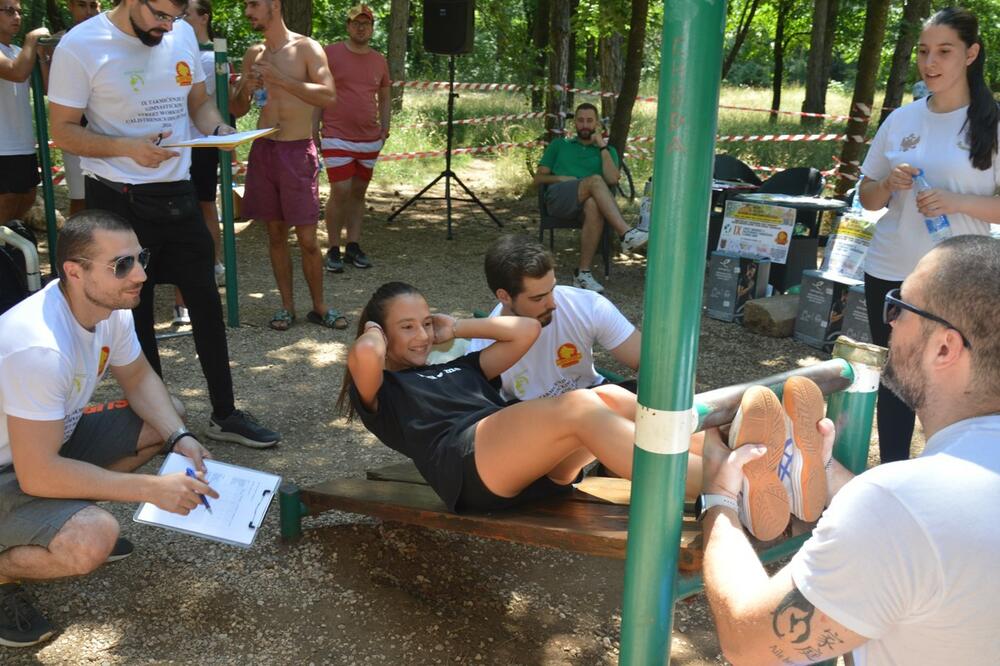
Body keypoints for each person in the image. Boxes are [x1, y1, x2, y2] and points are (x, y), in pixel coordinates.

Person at [701, 235, 1000, 665]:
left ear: (945, 348)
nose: (889, 321)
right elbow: (923, 540)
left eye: (900, 308)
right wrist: (827, 471)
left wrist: (718, 500)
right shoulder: (916, 504)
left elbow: (748, 642)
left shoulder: (899, 505)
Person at [47, 0, 281, 448]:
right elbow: (63, 131)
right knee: (135, 309)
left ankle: (225, 414)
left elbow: (198, 102)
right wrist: (126, 147)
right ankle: (158, 420)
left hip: (176, 192)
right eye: (160, 16)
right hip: (117, 195)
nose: (168, 27)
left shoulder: (181, 34)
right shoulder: (81, 45)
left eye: (175, 18)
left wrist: (218, 133)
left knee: (206, 303)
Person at [0, 210, 220, 647]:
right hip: (20, 467)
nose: (139, 274)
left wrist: (181, 437)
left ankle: (50, 519)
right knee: (93, 538)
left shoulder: (108, 308)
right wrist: (149, 489)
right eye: (122, 265)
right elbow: (38, 474)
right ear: (74, 272)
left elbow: (138, 378)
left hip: (40, 449)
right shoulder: (38, 347)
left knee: (166, 419)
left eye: (140, 258)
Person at [338, 281, 706, 514]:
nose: (422, 335)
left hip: (530, 467)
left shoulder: (462, 366)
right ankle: (719, 484)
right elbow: (367, 355)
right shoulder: (382, 390)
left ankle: (721, 453)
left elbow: (527, 330)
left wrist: (455, 328)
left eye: (425, 322)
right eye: (407, 327)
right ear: (382, 334)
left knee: (607, 395)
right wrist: (372, 326)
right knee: (579, 405)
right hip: (470, 470)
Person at [857, 7, 1000, 464]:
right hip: (892, 269)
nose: (929, 62)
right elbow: (867, 197)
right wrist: (886, 184)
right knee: (898, 383)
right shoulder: (901, 119)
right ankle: (895, 476)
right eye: (923, 51)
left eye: (944, 51)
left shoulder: (991, 123)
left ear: (971, 54)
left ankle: (959, 479)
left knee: (962, 386)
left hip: (963, 278)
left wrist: (955, 201)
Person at [230, 0, 343, 331]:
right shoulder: (253, 53)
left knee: (308, 238)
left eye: (253, 4)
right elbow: (236, 110)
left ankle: (320, 307)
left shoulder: (307, 48)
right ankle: (286, 307)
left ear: (274, 5)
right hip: (264, 150)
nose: (248, 12)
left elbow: (329, 95)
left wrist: (281, 80)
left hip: (297, 150)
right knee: (275, 234)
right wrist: (244, 89)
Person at [467, 235, 640, 401]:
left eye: (552, 289)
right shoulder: (483, 348)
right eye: (538, 298)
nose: (553, 304)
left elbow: (647, 364)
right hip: (532, 418)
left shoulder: (587, 305)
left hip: (592, 397)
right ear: (504, 296)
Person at [533, 102, 648, 293]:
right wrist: (561, 178)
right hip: (559, 198)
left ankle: (583, 273)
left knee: (594, 204)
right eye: (580, 120)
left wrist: (602, 146)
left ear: (597, 125)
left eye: (589, 121)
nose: (584, 125)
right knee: (594, 181)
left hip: (586, 204)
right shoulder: (560, 145)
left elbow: (612, 179)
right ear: (574, 124)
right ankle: (626, 233)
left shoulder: (607, 151)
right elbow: (538, 179)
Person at [319, 3, 390, 273]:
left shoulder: (378, 59)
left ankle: (353, 245)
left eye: (366, 23)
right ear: (348, 26)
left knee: (359, 192)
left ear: (372, 28)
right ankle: (333, 248)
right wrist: (315, 128)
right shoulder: (330, 53)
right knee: (341, 190)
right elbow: (319, 92)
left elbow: (384, 95)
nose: (361, 28)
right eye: (356, 23)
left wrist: (385, 127)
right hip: (336, 134)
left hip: (369, 138)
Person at [172, 0, 227, 326]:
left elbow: (211, 102)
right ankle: (181, 294)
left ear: (204, 17)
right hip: (174, 146)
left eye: (186, 14)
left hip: (203, 143)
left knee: (204, 205)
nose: (179, 20)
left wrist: (221, 129)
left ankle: (213, 263)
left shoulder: (210, 55)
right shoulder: (166, 47)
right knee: (182, 213)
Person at [43, 0, 102, 218]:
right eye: (82, 5)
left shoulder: (114, 37)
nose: (89, 12)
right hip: (77, 133)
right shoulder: (62, 41)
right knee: (80, 198)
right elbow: (51, 88)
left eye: (94, 5)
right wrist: (44, 56)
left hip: (113, 130)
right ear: (70, 6)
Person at [0, 0, 47, 225]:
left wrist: (43, 55)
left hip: (23, 144)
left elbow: (47, 87)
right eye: (9, 11)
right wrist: (31, 40)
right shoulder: (19, 54)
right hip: (2, 146)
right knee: (5, 204)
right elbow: (16, 72)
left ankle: (12, 259)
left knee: (25, 200)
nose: (17, 17)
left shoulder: (19, 52)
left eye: (19, 11)